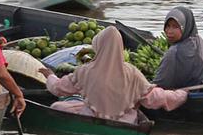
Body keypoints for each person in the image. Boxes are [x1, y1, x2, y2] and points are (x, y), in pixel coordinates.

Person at [39, 26, 187, 123]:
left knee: (57, 106)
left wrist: (49, 76)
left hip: (91, 118)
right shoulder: (133, 73)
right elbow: (156, 99)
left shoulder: (85, 71)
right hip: (125, 123)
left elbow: (58, 88)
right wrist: (181, 94)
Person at [154, 7, 203, 90]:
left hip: (192, 92)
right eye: (168, 26)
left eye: (175, 27)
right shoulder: (198, 39)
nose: (169, 31)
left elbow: (159, 84)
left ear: (186, 26)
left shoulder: (174, 52)